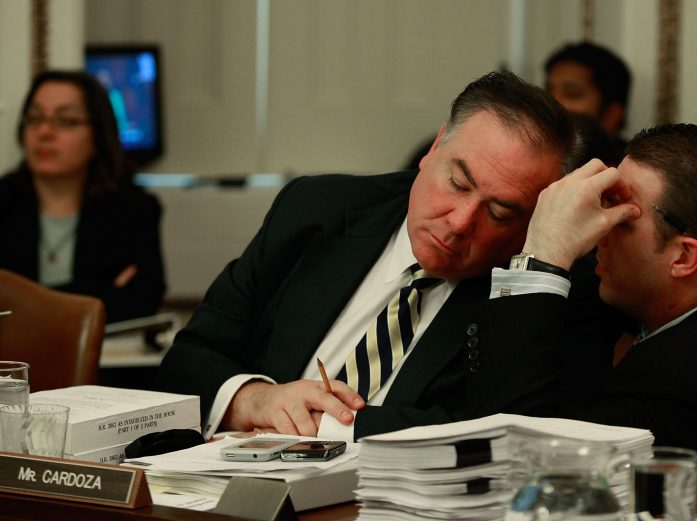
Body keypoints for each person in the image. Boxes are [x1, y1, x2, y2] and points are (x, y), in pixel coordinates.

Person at [155, 70, 629, 442]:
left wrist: (330, 425)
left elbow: (502, 432)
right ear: (435, 147)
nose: (461, 220)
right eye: (458, 183)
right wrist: (253, 399)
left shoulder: (554, 292)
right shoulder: (315, 211)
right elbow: (188, 360)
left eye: (501, 212)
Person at [466, 124, 697, 514]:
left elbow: (522, 455)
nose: (597, 233)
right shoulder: (641, 290)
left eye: (621, 221)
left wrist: (542, 252)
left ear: (684, 258)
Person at [0, 70, 165, 323]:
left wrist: (27, 300)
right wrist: (97, 294)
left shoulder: (135, 209)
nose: (44, 132)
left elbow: (142, 300)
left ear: (98, 135)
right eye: (34, 118)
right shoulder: (4, 202)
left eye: (66, 121)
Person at [544, 41, 631, 163]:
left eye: (572, 93)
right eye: (548, 91)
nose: (551, 103)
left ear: (610, 115)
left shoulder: (627, 171)